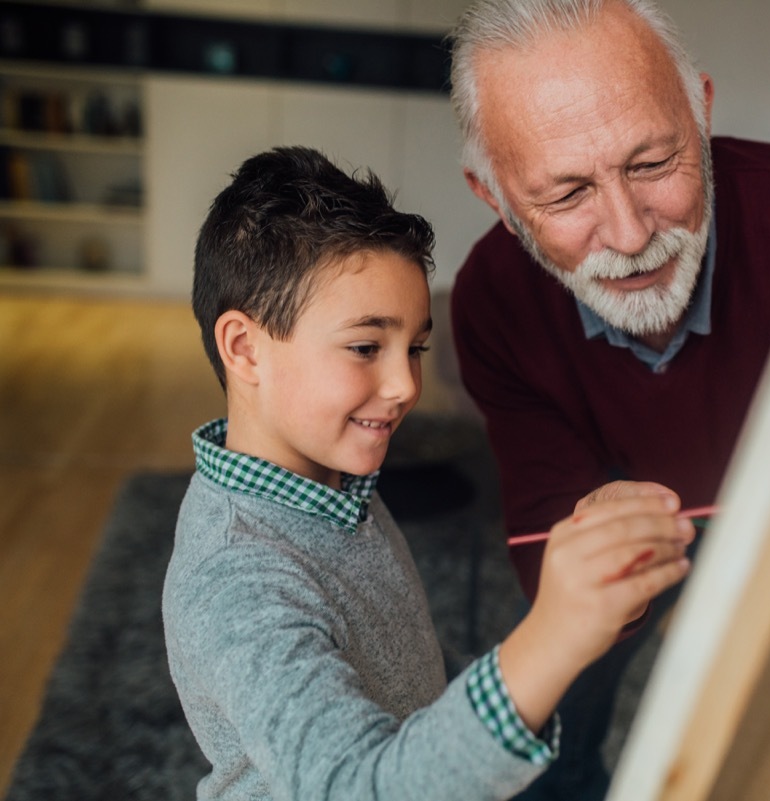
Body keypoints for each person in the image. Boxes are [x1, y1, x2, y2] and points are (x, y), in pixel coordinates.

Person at [162, 145, 694, 800]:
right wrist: (551, 636)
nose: (404, 385)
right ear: (244, 347)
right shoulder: (236, 581)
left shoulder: (329, 488)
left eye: (414, 347)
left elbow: (404, 687)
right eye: (365, 346)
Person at [447, 0, 770, 797]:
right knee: (563, 693)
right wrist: (596, 566)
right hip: (626, 528)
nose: (628, 236)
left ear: (701, 112)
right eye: (566, 197)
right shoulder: (491, 300)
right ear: (496, 199)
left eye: (655, 163)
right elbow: (547, 549)